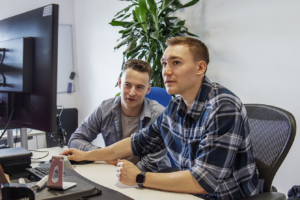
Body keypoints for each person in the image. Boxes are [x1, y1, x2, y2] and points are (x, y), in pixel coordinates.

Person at [61, 37, 260, 200]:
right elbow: (136, 143)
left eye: (176, 63)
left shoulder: (222, 107)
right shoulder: (175, 106)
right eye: (164, 63)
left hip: (225, 196)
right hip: (190, 194)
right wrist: (86, 155)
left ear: (200, 68)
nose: (165, 71)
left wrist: (138, 177)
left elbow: (203, 181)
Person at [67, 59, 171, 172]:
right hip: (115, 173)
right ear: (120, 83)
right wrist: (103, 155)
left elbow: (150, 164)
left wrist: (124, 172)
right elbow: (75, 139)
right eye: (127, 85)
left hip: (152, 177)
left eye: (139, 87)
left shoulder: (159, 115)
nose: (132, 93)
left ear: (148, 89)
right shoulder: (105, 109)